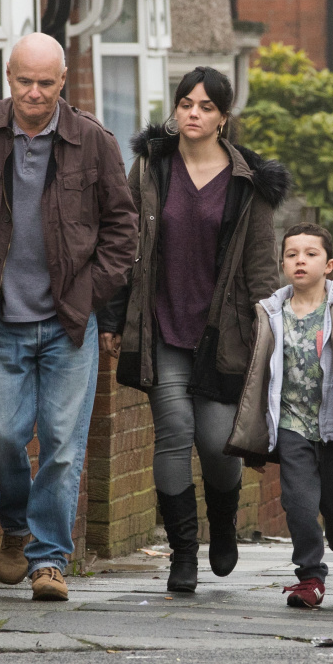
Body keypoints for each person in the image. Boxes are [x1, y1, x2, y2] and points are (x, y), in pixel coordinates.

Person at [0, 33, 138, 602]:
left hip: (68, 324)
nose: (33, 93)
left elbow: (122, 230)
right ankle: (16, 523)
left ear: (63, 81)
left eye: (45, 83)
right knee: (0, 434)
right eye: (24, 81)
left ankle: (49, 561)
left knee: (63, 444)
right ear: (8, 77)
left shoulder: (93, 142)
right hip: (1, 319)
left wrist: (90, 293)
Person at [97, 67, 290, 593]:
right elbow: (123, 248)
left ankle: (222, 521)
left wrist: (269, 338)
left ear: (224, 118)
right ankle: (183, 554)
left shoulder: (249, 184)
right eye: (186, 103)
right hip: (161, 329)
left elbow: (260, 270)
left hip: (224, 336)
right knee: (175, 433)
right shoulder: (151, 169)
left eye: (206, 106)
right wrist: (113, 319)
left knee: (215, 441)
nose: (193, 114)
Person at [223, 223, 333, 608]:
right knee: (299, 503)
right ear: (282, 264)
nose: (300, 260)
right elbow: (255, 374)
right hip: (291, 426)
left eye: (310, 254)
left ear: (330, 264)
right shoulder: (269, 313)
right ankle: (309, 577)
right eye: (291, 254)